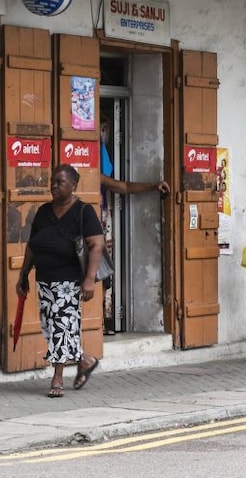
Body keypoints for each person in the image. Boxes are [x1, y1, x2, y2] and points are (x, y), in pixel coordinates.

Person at [16, 164, 103, 398]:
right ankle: (85, 360)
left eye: (59, 182)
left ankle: (57, 377)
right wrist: (23, 274)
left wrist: (89, 280)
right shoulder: (44, 211)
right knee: (51, 327)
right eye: (52, 182)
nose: (54, 186)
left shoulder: (84, 211)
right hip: (45, 280)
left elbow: (96, 245)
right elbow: (33, 246)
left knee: (61, 327)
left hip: (69, 281)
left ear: (73, 184)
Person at [98, 115, 169, 335]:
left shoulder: (102, 159)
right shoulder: (92, 169)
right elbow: (123, 187)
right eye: (101, 128)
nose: (104, 132)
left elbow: (124, 186)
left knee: (102, 271)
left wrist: (153, 186)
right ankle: (97, 323)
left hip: (103, 220)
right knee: (97, 270)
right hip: (97, 222)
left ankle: (100, 322)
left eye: (105, 128)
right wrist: (152, 186)